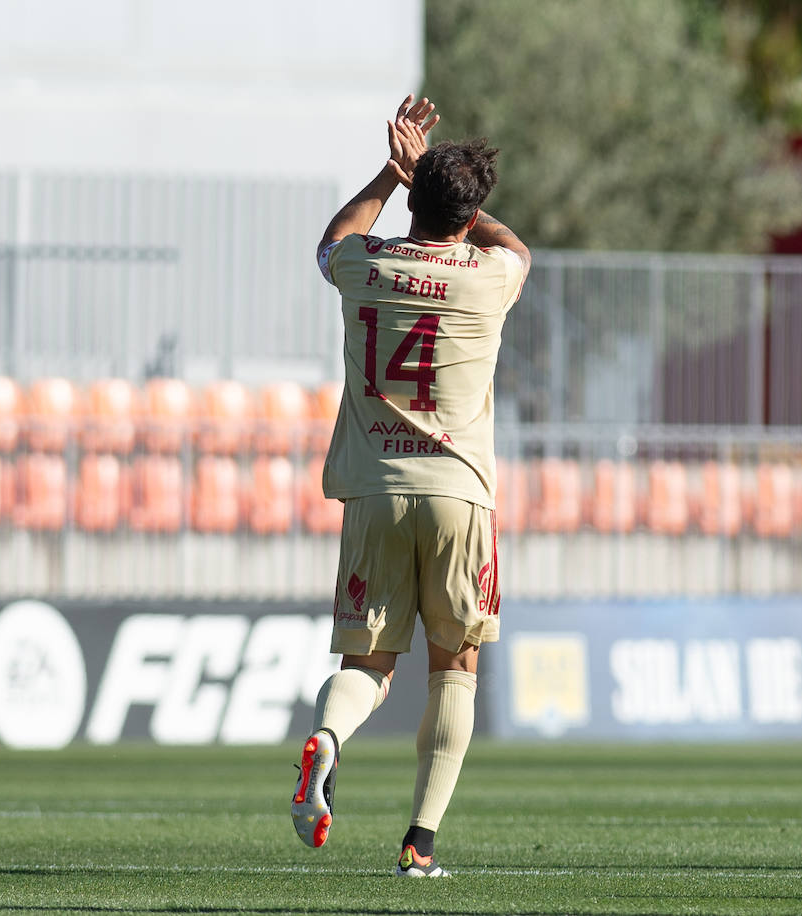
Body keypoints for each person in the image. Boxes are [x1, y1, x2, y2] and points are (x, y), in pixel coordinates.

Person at [290, 95, 531, 878]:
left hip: (375, 490)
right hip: (459, 495)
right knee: (453, 667)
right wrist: (463, 207)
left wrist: (391, 176)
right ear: (470, 215)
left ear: (415, 199)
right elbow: (516, 249)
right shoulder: (487, 278)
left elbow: (333, 242)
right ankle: (418, 845)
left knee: (368, 665)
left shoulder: (369, 267)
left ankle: (326, 741)